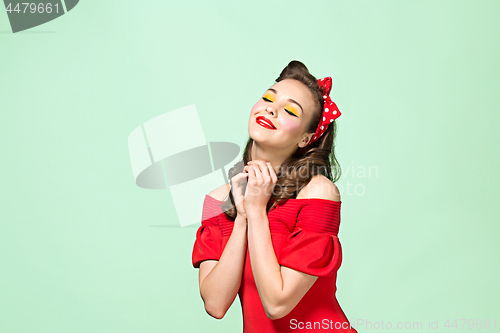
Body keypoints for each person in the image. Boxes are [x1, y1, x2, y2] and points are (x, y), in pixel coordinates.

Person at [192, 60, 357, 332]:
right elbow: (215, 304)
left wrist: (257, 212)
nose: (271, 108)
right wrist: (243, 217)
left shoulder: (317, 192)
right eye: (269, 98)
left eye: (290, 111)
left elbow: (278, 303)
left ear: (306, 139)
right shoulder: (217, 200)